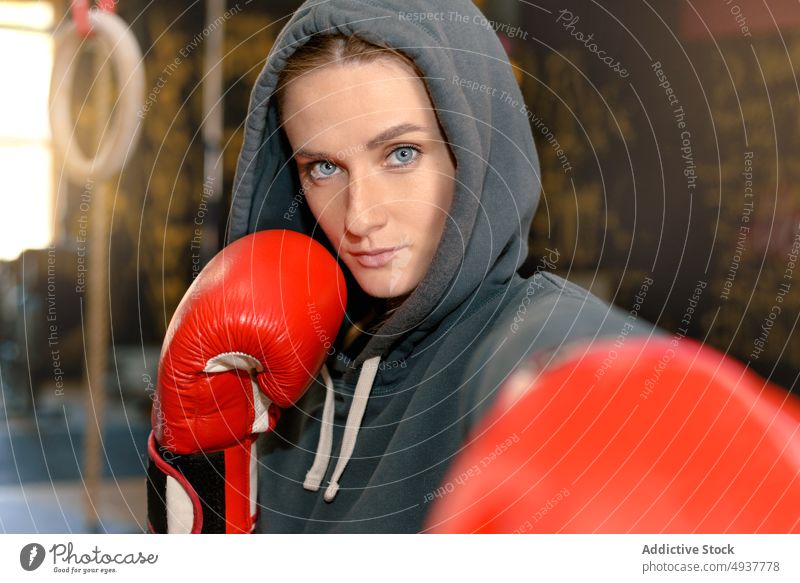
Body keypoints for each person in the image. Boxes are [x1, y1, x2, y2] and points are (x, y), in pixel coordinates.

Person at [225, 0, 652, 533]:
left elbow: (588, 361)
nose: (360, 217)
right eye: (324, 167)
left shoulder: (522, 339)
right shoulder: (288, 373)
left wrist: (605, 400)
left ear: (474, 153)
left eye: (401, 153)